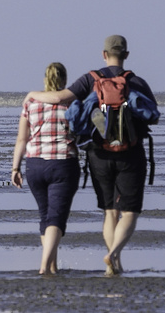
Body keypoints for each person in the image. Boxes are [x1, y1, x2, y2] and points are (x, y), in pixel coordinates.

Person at [28, 35, 156, 276]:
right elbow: (153, 114)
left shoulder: (91, 79)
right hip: (131, 154)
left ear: (103, 54)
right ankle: (114, 254)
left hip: (99, 154)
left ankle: (114, 265)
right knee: (129, 212)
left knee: (110, 211)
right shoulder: (136, 81)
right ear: (126, 55)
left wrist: (31, 95)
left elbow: (58, 98)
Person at [11, 62, 79, 276]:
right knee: (56, 218)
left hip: (35, 165)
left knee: (46, 217)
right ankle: (44, 266)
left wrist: (15, 167)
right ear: (65, 81)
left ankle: (52, 267)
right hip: (62, 163)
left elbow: (22, 138)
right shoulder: (72, 102)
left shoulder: (31, 102)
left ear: (45, 79)